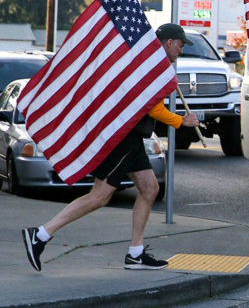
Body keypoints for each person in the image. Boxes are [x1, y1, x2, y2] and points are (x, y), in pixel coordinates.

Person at [22, 23, 200, 272]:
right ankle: (40, 234)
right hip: (122, 138)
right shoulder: (152, 65)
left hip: (132, 139)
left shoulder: (151, 61)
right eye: (180, 45)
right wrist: (182, 121)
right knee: (99, 197)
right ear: (169, 42)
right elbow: (153, 108)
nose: (181, 50)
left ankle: (136, 253)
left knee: (150, 188)